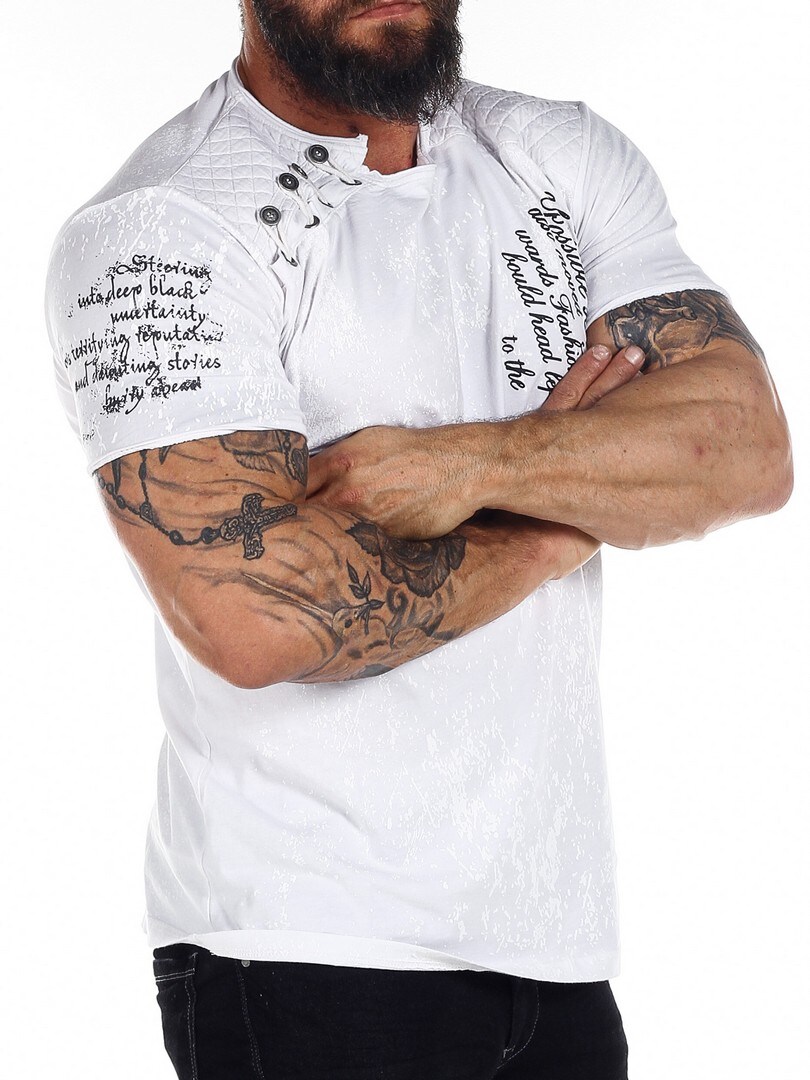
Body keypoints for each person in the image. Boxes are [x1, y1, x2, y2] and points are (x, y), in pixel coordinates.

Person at [43, 1, 792, 1077]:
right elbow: (252, 618)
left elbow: (748, 450)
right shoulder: (162, 228)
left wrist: (472, 466)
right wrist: (568, 518)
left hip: (555, 946)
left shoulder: (557, 154)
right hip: (304, 951)